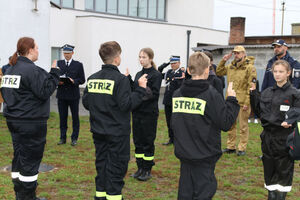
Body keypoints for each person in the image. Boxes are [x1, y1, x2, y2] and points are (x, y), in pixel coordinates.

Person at [82, 41, 147, 200]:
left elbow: (86, 103)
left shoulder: (92, 78)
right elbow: (126, 105)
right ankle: (114, 196)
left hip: (98, 131)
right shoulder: (120, 80)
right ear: (117, 58)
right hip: (117, 134)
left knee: (102, 166)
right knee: (116, 169)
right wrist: (140, 89)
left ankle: (100, 196)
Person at [172, 52, 240, 200]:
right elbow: (226, 123)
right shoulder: (211, 95)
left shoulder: (177, 94)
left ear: (189, 70)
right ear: (207, 70)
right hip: (204, 155)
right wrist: (232, 100)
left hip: (184, 153)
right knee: (203, 193)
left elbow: (174, 124)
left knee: (185, 192)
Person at [0, 37, 60, 200]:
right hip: (31, 123)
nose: (38, 51)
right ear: (31, 50)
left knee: (19, 158)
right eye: (37, 48)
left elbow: (5, 94)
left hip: (13, 121)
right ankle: (28, 197)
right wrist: (54, 73)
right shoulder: (32, 70)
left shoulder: (9, 70)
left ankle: (20, 195)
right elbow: (44, 91)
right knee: (31, 161)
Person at [250, 60, 300, 200]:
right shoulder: (267, 92)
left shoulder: (294, 94)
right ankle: (271, 195)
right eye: (275, 71)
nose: (277, 75)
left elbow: (298, 112)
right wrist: (253, 95)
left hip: (285, 139)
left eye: (281, 72)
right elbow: (259, 113)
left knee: (283, 174)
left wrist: (290, 121)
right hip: (268, 138)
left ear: (288, 73)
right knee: (270, 172)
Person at [127, 48, 162, 181]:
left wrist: (142, 88)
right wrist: (129, 80)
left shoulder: (156, 75)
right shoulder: (138, 74)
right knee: (138, 141)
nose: (141, 60)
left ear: (150, 58)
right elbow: (135, 92)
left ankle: (147, 169)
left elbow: (154, 94)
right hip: (137, 112)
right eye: (140, 57)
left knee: (147, 141)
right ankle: (139, 168)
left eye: (144, 57)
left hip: (149, 114)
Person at [216, 45, 257, 156]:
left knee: (243, 126)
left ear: (244, 54)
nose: (236, 55)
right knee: (231, 124)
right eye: (234, 53)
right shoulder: (230, 67)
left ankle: (242, 147)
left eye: (238, 53)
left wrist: (247, 102)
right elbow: (219, 72)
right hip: (230, 99)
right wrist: (223, 61)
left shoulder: (250, 68)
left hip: (243, 101)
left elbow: (251, 85)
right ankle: (231, 146)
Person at [56, 44, 85, 146]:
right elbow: (53, 76)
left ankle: (74, 138)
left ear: (72, 53)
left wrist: (74, 81)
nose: (66, 55)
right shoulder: (58, 63)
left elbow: (82, 79)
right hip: (62, 95)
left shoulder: (78, 65)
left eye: (68, 53)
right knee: (62, 117)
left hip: (73, 95)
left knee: (75, 118)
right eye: (65, 53)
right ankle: (62, 138)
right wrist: (57, 81)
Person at [158, 55, 184, 145]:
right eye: (171, 63)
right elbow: (158, 74)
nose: (172, 65)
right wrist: (163, 66)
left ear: (179, 63)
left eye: (174, 63)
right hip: (168, 100)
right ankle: (171, 139)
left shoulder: (182, 73)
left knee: (177, 121)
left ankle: (178, 139)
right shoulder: (168, 72)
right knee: (169, 121)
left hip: (177, 101)